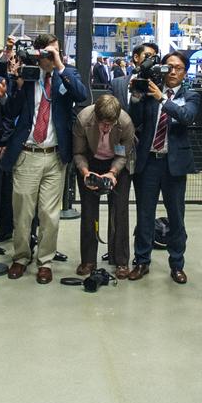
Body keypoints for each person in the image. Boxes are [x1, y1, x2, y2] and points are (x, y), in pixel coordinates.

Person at [0, 33, 88, 283]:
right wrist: (18, 84)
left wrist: (59, 65)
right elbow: (10, 111)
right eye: (48, 51)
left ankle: (45, 261)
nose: (53, 54)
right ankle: (20, 257)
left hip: (54, 156)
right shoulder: (27, 75)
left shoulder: (66, 74)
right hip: (27, 153)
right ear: (37, 53)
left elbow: (81, 95)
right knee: (23, 213)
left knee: (50, 215)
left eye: (56, 50)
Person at [127, 51, 200, 284]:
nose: (173, 71)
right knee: (144, 214)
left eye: (178, 68)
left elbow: (186, 116)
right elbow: (136, 119)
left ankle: (177, 264)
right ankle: (141, 261)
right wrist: (136, 97)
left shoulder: (191, 95)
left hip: (174, 165)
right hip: (148, 161)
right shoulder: (151, 91)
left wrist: (162, 99)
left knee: (176, 216)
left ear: (185, 72)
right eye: (169, 67)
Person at [73, 94, 135, 277]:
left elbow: (123, 154)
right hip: (90, 161)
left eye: (111, 124)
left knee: (120, 212)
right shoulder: (83, 119)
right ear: (96, 117)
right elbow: (78, 152)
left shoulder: (125, 122)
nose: (107, 128)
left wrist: (113, 173)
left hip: (117, 163)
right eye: (103, 124)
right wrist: (86, 173)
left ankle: (121, 261)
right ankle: (88, 261)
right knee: (88, 211)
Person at [110, 41, 158, 110]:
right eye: (148, 55)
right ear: (136, 57)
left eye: (154, 57)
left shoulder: (157, 84)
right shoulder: (116, 83)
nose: (152, 60)